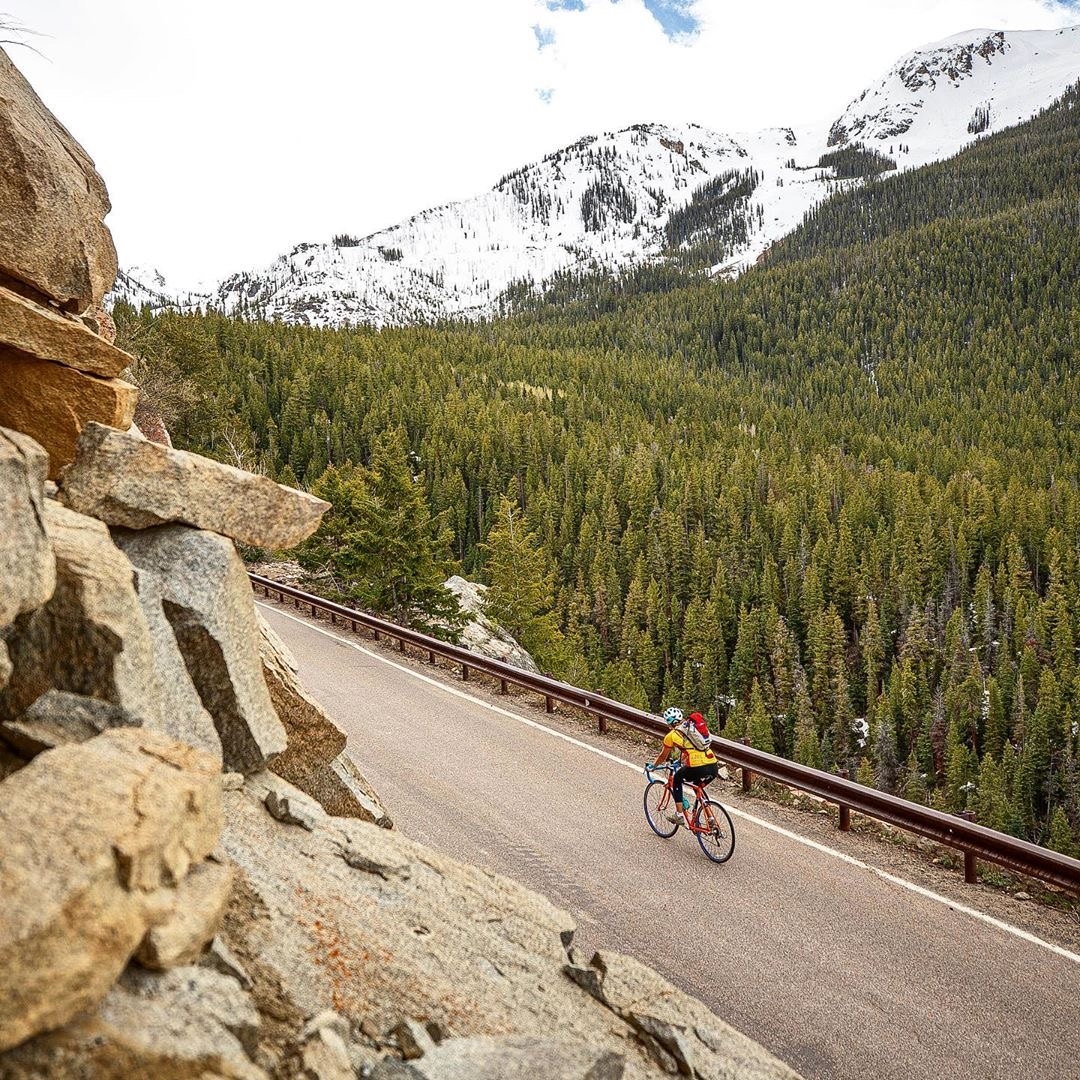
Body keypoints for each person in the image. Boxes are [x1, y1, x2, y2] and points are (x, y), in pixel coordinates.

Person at [649, 706, 719, 828]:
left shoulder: (671, 736)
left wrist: (653, 767)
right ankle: (711, 818)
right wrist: (681, 760)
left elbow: (663, 757)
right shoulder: (692, 729)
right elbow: (691, 749)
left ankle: (679, 815)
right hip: (713, 765)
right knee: (698, 786)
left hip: (697, 766)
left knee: (677, 779)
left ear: (669, 722)